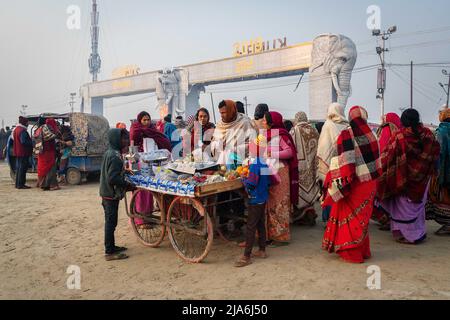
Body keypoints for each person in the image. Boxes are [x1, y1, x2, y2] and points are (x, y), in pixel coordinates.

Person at [322, 106, 381, 263]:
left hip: (355, 182)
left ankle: (351, 252)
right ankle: (363, 249)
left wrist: (339, 179)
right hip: (370, 183)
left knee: (350, 217)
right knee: (362, 217)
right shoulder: (373, 135)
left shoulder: (347, 134)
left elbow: (346, 162)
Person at [378, 109, 440, 245]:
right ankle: (418, 233)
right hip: (423, 179)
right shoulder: (428, 134)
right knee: (416, 207)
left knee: (401, 207)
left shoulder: (399, 136)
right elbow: (435, 154)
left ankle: (403, 234)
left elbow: (387, 156)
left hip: (403, 179)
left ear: (403, 121)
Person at [100, 128, 137, 261]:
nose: (125, 141)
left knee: (111, 222)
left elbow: (111, 171)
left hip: (106, 193)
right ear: (115, 139)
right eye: (123, 138)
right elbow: (112, 178)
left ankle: (112, 246)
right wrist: (128, 185)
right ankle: (109, 252)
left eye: (126, 138)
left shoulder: (111, 152)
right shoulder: (115, 156)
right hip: (110, 194)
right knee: (111, 223)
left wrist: (124, 171)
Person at [263, 111, 299, 246]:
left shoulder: (282, 135)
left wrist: (273, 153)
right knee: (270, 203)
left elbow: (290, 152)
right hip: (269, 170)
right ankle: (271, 235)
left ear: (272, 122)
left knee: (279, 203)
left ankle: (281, 237)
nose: (263, 122)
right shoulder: (265, 135)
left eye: (265, 120)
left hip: (280, 171)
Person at [235, 139, 270, 268]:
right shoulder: (264, 164)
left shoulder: (255, 165)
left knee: (251, 226)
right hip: (263, 198)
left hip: (255, 199)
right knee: (260, 224)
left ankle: (246, 256)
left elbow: (252, 183)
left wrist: (244, 180)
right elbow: (267, 182)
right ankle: (262, 250)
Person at [317, 103, 349, 222]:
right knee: (341, 190)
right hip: (344, 163)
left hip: (330, 163)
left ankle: (329, 219)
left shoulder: (328, 125)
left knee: (329, 190)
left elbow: (323, 147)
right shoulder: (347, 126)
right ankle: (340, 218)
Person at [372, 112, 403, 229]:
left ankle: (386, 220)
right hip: (399, 169)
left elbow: (381, 150)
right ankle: (394, 219)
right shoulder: (401, 132)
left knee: (381, 195)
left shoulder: (385, 130)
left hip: (384, 168)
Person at [290, 111, 320, 226]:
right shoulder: (314, 130)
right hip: (312, 165)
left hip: (300, 167)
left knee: (300, 190)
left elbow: (291, 147)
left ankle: (303, 216)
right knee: (311, 189)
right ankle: (310, 213)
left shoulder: (294, 130)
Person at [427, 107, 450, 235]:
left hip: (444, 170)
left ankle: (447, 224)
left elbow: (438, 151)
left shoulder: (441, 131)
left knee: (443, 197)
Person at [35, 118, 61, 191]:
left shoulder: (38, 129)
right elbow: (51, 136)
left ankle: (42, 184)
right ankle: (51, 185)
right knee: (51, 168)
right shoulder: (46, 128)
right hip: (48, 151)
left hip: (41, 152)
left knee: (42, 168)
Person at [13, 116, 33, 189]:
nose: (28, 124)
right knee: (22, 169)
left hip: (18, 152)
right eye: (27, 122)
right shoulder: (22, 130)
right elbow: (23, 141)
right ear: (24, 122)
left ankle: (17, 184)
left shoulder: (16, 129)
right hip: (23, 152)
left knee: (19, 168)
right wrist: (31, 142)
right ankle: (21, 184)